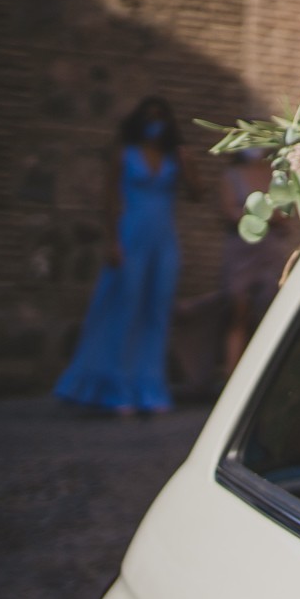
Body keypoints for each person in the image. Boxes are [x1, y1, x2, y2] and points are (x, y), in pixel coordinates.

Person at [55, 97, 197, 414]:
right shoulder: (125, 154)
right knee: (125, 310)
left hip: (164, 241)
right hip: (131, 237)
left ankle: (150, 388)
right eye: (149, 117)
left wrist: (189, 164)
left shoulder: (175, 156)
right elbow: (109, 201)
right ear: (139, 121)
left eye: (161, 117)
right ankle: (115, 389)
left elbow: (197, 194)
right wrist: (112, 241)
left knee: (158, 313)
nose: (155, 122)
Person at [216, 146, 297, 378]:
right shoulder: (231, 175)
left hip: (269, 251)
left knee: (269, 313)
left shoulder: (274, 175)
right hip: (241, 251)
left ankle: (261, 376)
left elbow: (286, 213)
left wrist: (260, 216)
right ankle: (231, 378)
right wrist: (266, 216)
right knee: (238, 313)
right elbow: (230, 212)